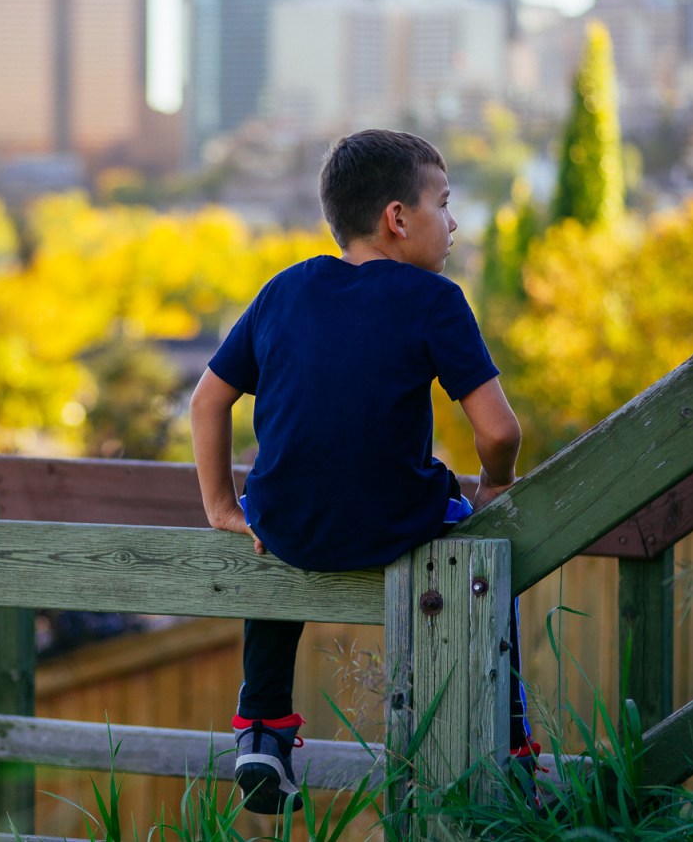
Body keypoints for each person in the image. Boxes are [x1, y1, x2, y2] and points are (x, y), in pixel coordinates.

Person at [190, 129, 533, 815]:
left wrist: (224, 508)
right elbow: (498, 429)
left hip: (286, 530)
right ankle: (513, 739)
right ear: (398, 218)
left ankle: (261, 724)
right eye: (443, 202)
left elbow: (207, 401)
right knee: (479, 549)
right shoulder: (435, 299)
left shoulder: (283, 290)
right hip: (394, 524)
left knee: (271, 511)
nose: (454, 221)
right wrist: (495, 483)